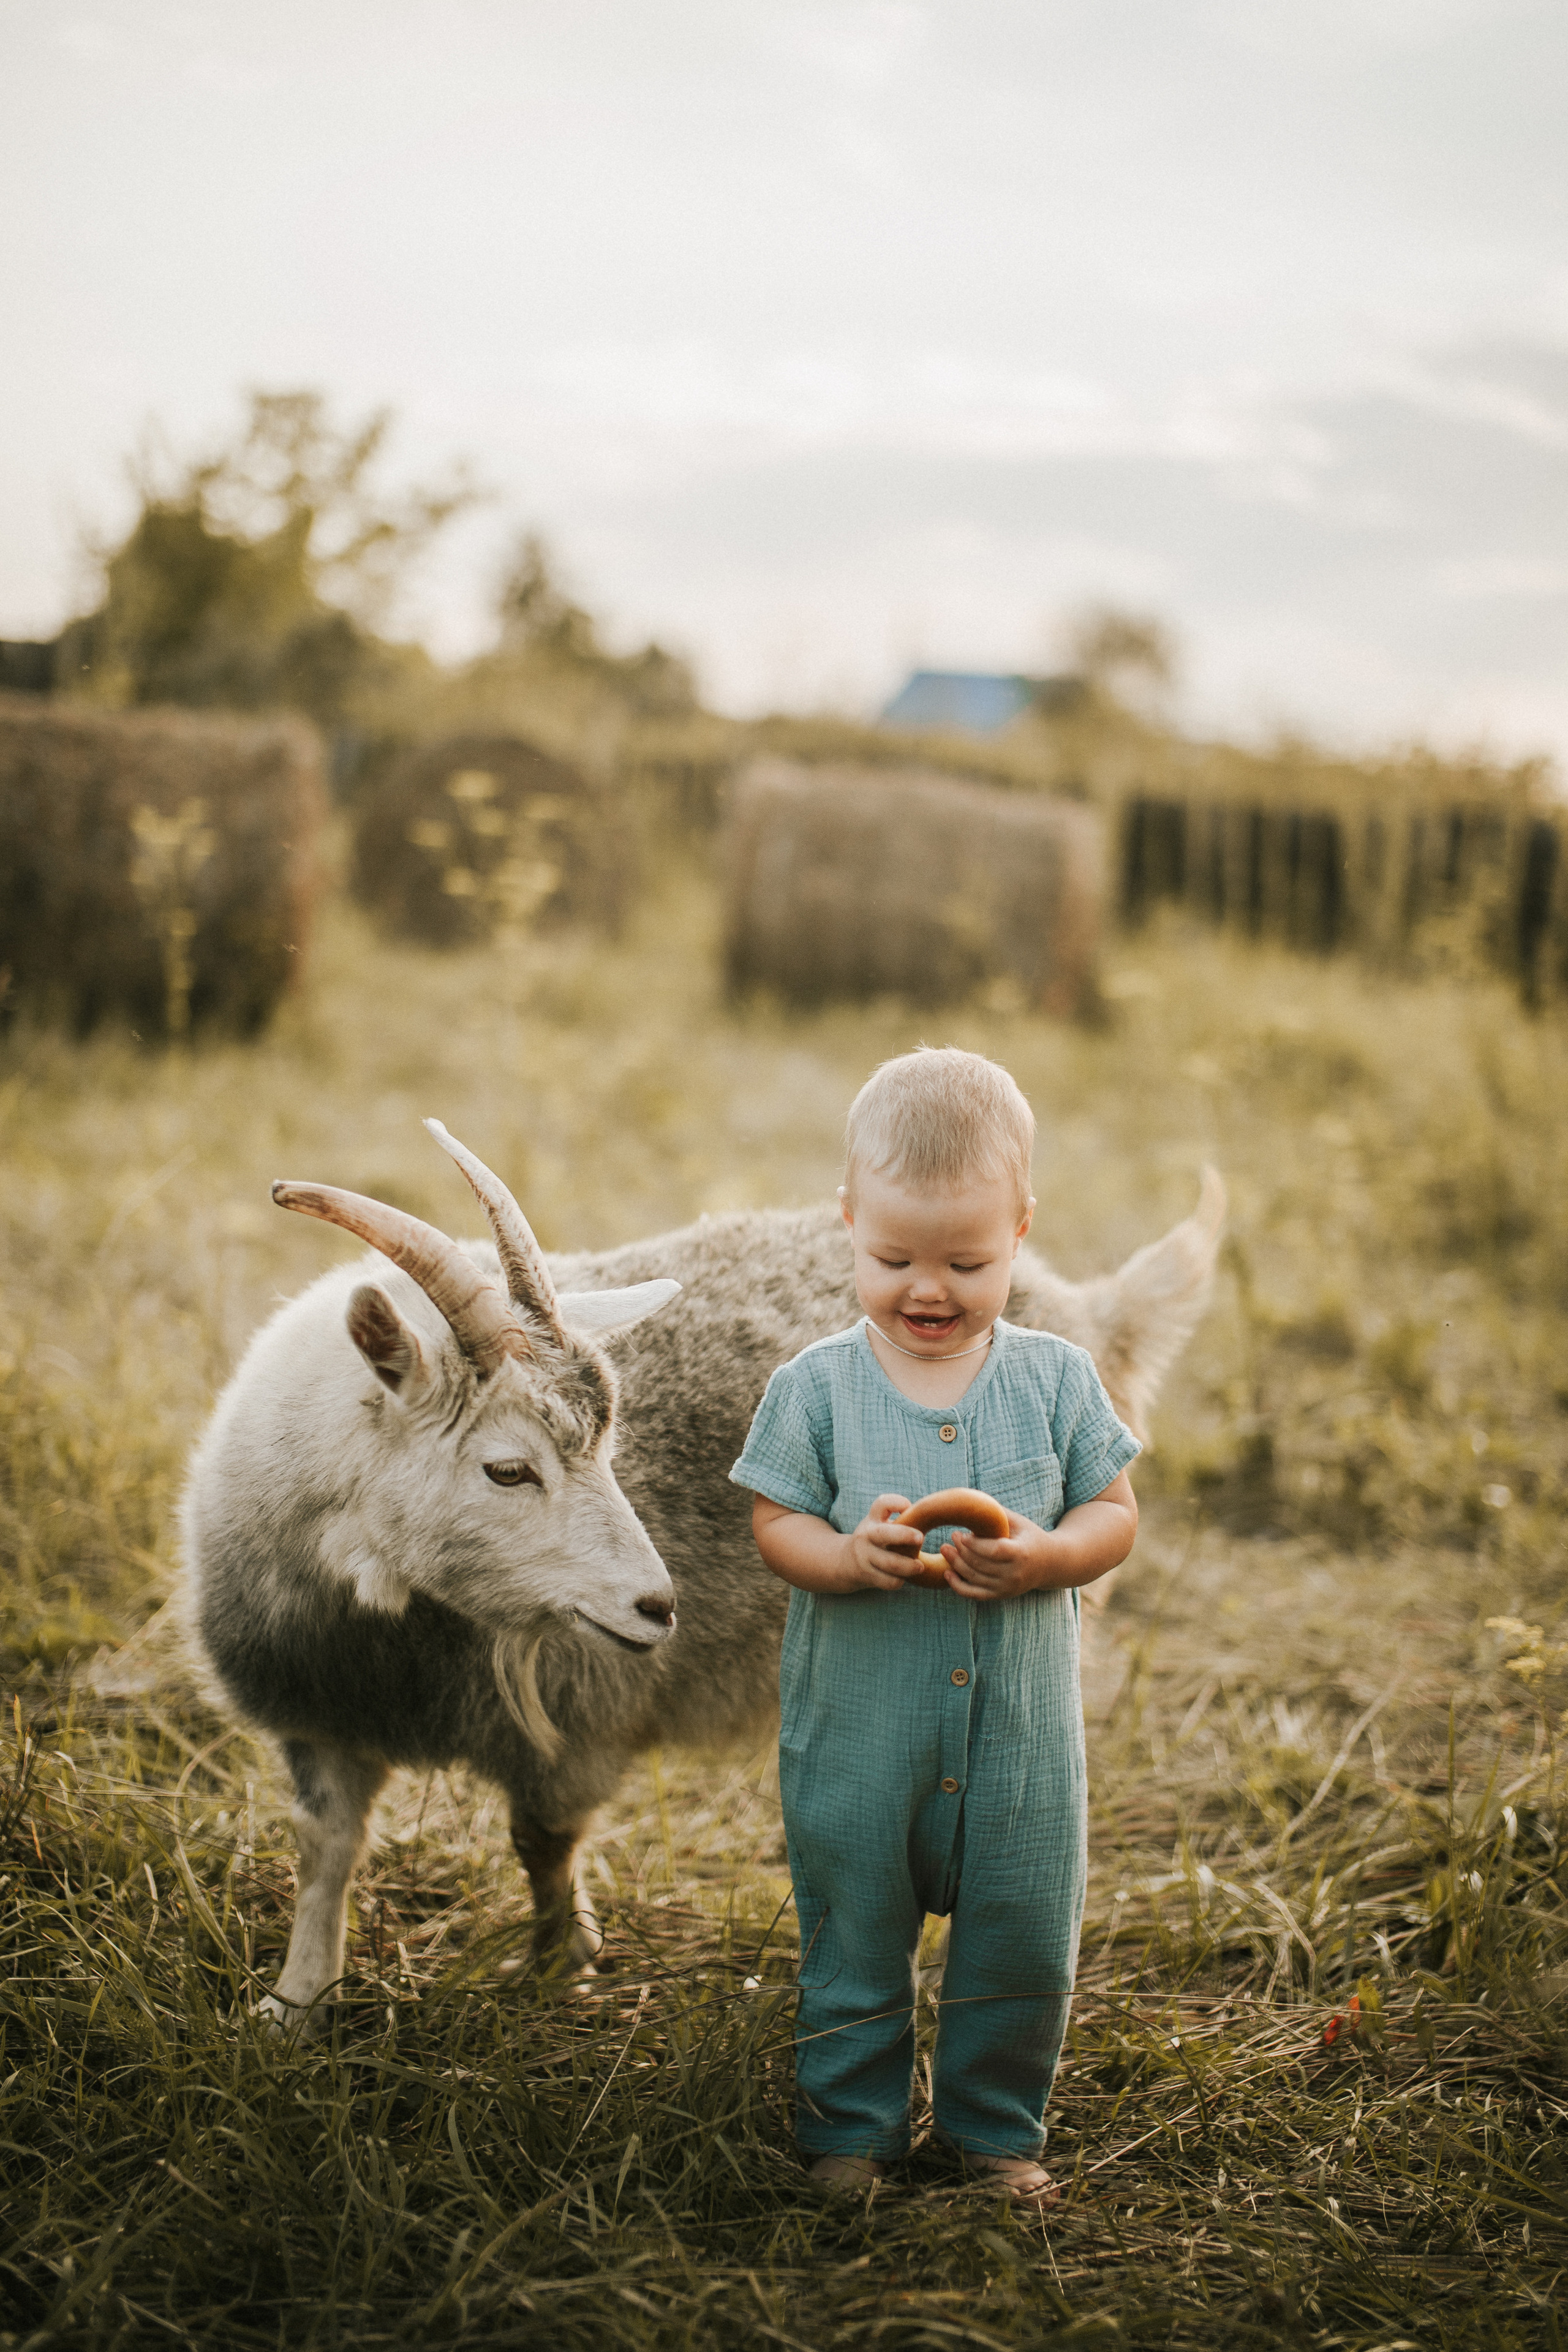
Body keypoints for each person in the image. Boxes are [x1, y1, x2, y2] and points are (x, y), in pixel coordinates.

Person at [730, 1046, 1140, 2205]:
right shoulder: (812, 1387)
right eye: (892, 1256)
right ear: (847, 1223)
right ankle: (851, 2133)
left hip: (1019, 1754)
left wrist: (1051, 1556)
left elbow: (1115, 1514)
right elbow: (774, 1526)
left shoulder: (1057, 1380)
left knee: (1019, 1944)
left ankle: (992, 2128)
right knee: (853, 1937)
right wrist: (846, 1557)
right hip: (860, 1747)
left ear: (1020, 1231)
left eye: (965, 1260)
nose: (927, 1289)